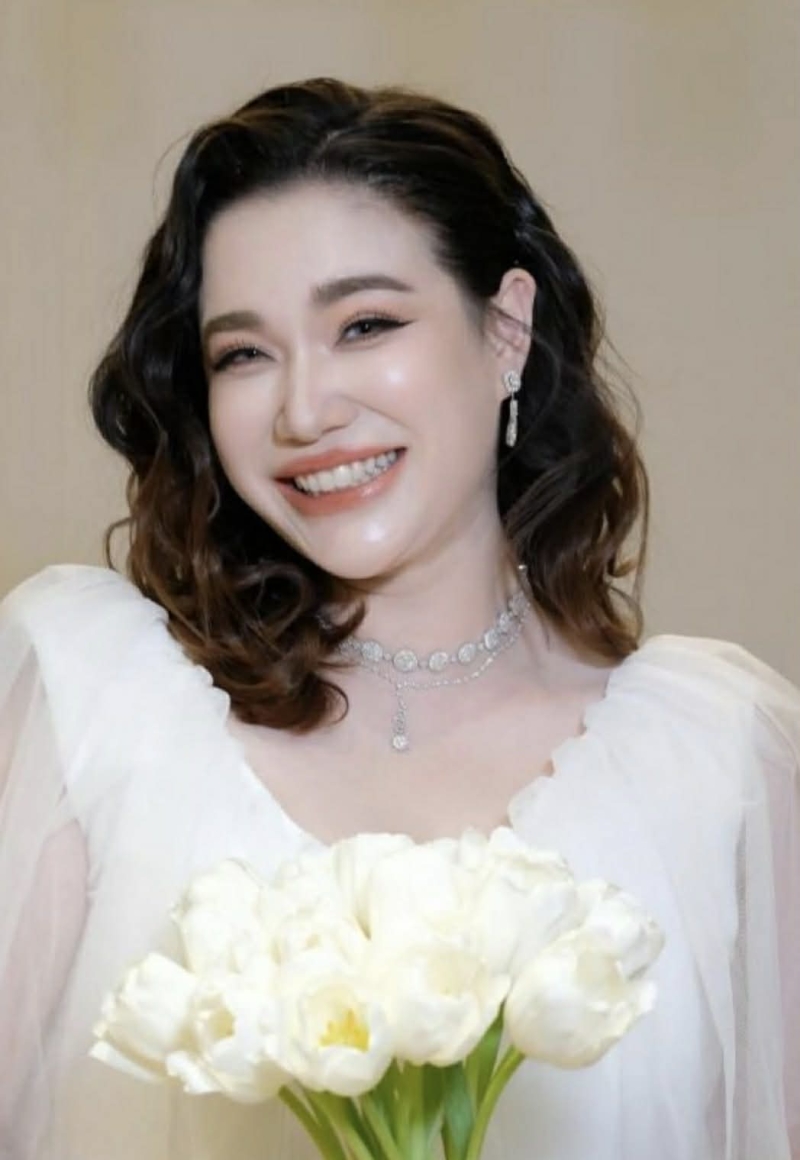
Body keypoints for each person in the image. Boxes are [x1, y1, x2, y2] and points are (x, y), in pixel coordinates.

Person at [0, 76, 797, 1160]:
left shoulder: (714, 761)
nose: (303, 410)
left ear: (505, 328)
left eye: (365, 324)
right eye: (243, 353)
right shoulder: (94, 704)